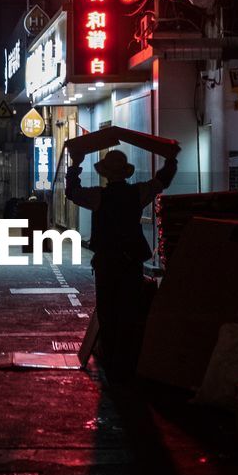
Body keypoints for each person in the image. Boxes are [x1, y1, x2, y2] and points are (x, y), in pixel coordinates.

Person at [66, 146, 178, 380]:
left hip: (107, 261)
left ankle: (111, 358)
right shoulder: (138, 193)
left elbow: (72, 192)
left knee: (107, 310)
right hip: (131, 260)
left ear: (105, 173)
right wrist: (170, 160)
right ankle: (126, 360)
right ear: (126, 173)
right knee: (129, 309)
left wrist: (75, 164)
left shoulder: (98, 196)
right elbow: (161, 181)